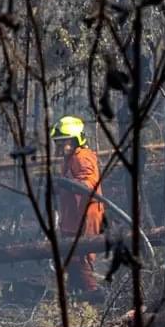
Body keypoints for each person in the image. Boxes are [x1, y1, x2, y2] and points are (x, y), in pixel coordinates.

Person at [51, 116, 105, 299]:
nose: (59, 146)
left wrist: (69, 183)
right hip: (72, 216)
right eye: (57, 142)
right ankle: (75, 294)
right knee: (70, 255)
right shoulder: (69, 158)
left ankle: (94, 294)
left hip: (86, 214)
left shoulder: (82, 157)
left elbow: (89, 182)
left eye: (62, 142)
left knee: (81, 254)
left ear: (74, 140)